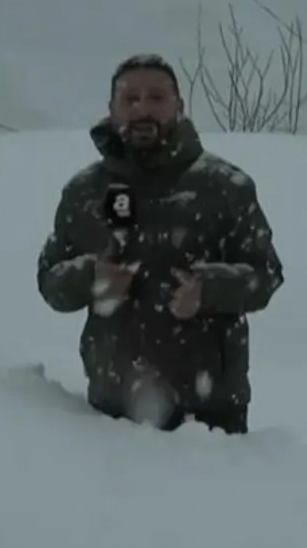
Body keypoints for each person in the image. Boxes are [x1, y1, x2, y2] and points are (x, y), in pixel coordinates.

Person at [35, 53, 284, 435]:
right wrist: (91, 277)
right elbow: (51, 281)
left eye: (156, 97)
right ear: (112, 110)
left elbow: (266, 274)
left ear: (179, 107)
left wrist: (209, 290)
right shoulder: (85, 191)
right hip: (110, 417)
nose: (142, 109)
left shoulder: (225, 187)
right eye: (130, 99)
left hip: (210, 422)